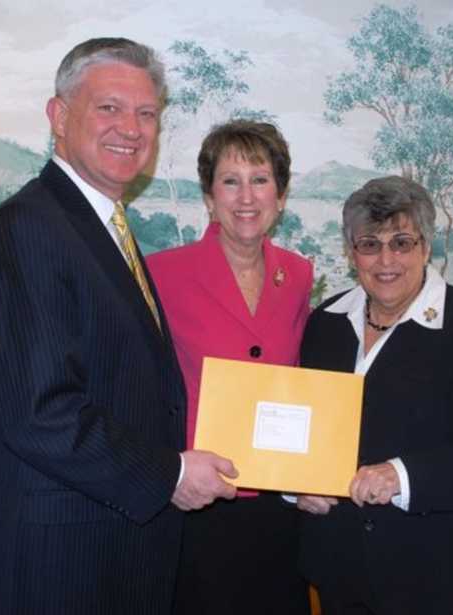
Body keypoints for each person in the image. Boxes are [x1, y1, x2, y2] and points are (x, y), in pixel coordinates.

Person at [0, 38, 238, 615]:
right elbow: (43, 413)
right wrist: (171, 473)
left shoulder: (99, 226)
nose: (130, 127)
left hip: (102, 553)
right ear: (59, 116)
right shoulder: (28, 230)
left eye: (146, 113)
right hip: (50, 567)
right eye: (108, 107)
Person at [297, 176, 453, 615]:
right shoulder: (324, 324)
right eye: (370, 244)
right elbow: (307, 426)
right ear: (352, 253)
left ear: (426, 247)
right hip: (345, 568)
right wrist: (298, 486)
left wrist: (400, 476)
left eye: (402, 242)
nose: (386, 259)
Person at [147, 119, 312, 615]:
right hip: (198, 500)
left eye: (260, 179)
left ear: (280, 196)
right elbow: (141, 388)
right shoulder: (162, 274)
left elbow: (299, 377)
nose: (246, 197)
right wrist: (164, 473)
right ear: (209, 195)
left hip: (277, 503)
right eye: (230, 180)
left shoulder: (299, 273)